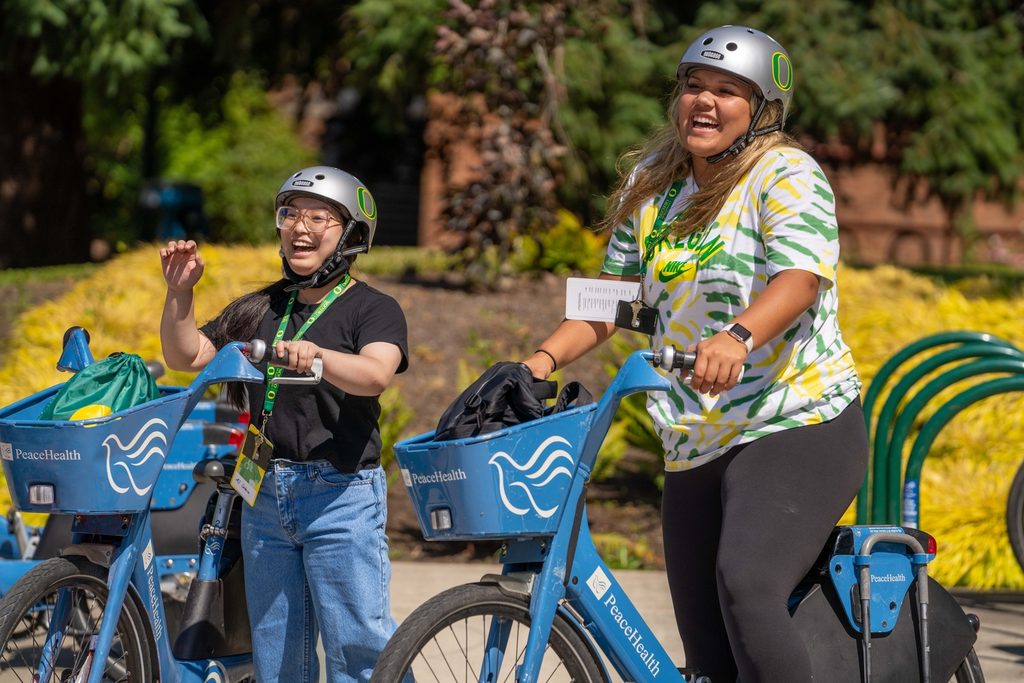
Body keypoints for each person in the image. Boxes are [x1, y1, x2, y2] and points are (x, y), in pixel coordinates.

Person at [522, 26, 867, 683]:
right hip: (691, 438)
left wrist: (736, 337)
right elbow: (615, 299)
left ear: (764, 109)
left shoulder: (784, 173)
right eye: (694, 86)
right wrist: (537, 362)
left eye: (728, 92)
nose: (703, 102)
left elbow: (798, 279)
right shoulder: (651, 185)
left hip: (793, 422)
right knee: (707, 651)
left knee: (747, 585)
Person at [159, 166, 409, 683]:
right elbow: (187, 355)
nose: (301, 227)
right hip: (265, 492)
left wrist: (318, 356)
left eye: (319, 217)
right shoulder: (264, 307)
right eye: (291, 214)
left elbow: (375, 374)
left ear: (353, 235)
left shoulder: (373, 309)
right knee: (277, 654)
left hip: (340, 494)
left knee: (358, 647)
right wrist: (179, 293)